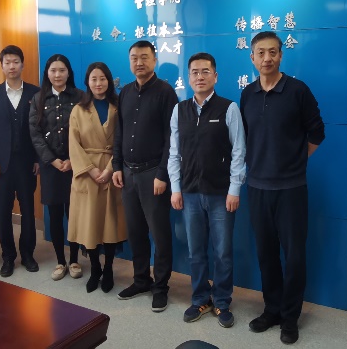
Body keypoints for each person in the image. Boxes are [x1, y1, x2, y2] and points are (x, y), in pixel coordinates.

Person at [240, 32, 325, 345]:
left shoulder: (298, 91)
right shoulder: (247, 94)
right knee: (266, 254)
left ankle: (290, 318)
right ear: (252, 57)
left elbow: (317, 133)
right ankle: (272, 310)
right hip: (257, 187)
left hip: (291, 188)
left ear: (281, 55)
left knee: (294, 256)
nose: (267, 58)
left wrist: (294, 161)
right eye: (261, 53)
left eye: (273, 52)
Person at [168, 52, 246, 329]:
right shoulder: (180, 110)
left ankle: (222, 300)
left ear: (215, 76)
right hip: (189, 193)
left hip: (221, 193)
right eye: (194, 72)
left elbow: (239, 151)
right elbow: (174, 152)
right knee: (196, 251)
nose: (199, 77)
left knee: (222, 251)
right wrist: (175, 188)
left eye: (205, 71)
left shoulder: (229, 108)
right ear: (188, 77)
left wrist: (234, 189)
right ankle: (200, 298)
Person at [112, 40, 178, 312]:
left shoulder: (165, 92)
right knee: (136, 232)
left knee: (160, 235)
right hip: (128, 173)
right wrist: (117, 165)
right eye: (134, 58)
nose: (139, 62)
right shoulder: (125, 92)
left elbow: (172, 138)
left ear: (154, 60)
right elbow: (119, 131)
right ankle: (141, 280)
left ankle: (160, 287)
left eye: (144, 57)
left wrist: (163, 173)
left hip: (154, 175)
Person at [0, 45, 41, 278]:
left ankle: (28, 254)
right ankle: (8, 257)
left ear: (22, 64)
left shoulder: (35, 93)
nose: (12, 66)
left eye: (16, 62)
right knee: (4, 213)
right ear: (2, 65)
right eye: (7, 62)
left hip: (26, 163)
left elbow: (39, 129)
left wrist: (37, 158)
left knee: (28, 210)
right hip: (1, 166)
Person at [67, 62, 126, 293]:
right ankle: (95, 268)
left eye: (102, 78)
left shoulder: (119, 107)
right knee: (89, 224)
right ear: (87, 82)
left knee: (110, 224)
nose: (98, 83)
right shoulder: (78, 110)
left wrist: (110, 169)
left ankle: (108, 268)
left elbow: (124, 140)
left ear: (109, 81)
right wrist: (90, 169)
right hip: (86, 174)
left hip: (112, 171)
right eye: (94, 79)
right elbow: (73, 144)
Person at [29, 54, 84, 281]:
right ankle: (60, 261)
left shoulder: (80, 97)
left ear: (69, 72)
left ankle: (74, 260)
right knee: (54, 215)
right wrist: (52, 160)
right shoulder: (38, 98)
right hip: (51, 167)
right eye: (53, 70)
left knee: (74, 214)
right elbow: (35, 134)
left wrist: (73, 159)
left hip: (75, 166)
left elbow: (86, 132)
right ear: (47, 73)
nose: (58, 75)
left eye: (62, 70)